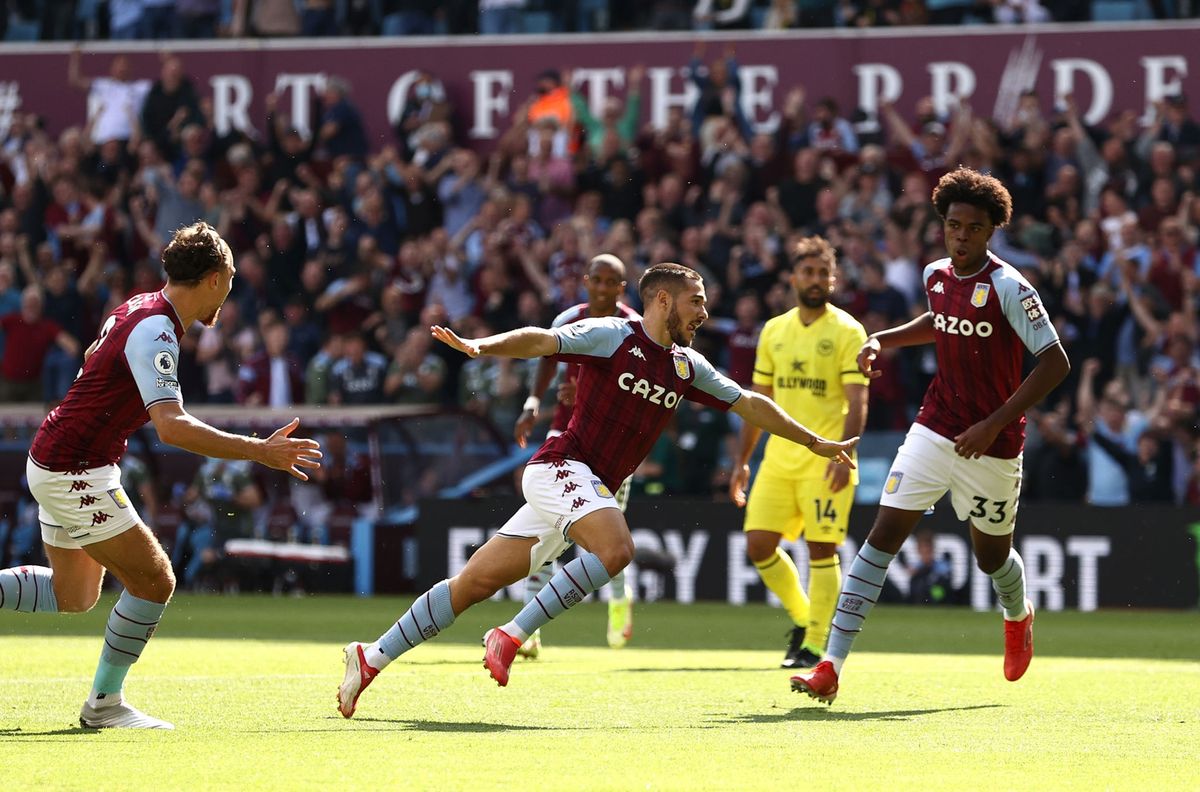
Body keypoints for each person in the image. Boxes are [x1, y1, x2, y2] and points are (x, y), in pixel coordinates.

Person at [337, 262, 859, 717]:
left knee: (471, 585)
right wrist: (480, 347)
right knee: (617, 548)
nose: (703, 312)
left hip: (583, 487)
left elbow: (748, 402)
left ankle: (370, 657)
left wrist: (813, 440)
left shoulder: (685, 366)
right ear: (662, 300)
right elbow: (542, 339)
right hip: (560, 466)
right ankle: (512, 634)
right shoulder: (613, 335)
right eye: (696, 302)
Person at [0, 222, 322, 729]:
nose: (232, 289)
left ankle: (103, 704)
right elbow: (171, 427)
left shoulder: (137, 307)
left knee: (75, 596)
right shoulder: (156, 328)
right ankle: (104, 705)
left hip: (64, 456)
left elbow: (92, 358)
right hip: (74, 468)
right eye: (232, 277)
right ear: (214, 278)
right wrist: (260, 451)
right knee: (155, 580)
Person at [791, 168, 1070, 705]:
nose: (960, 236)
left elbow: (1055, 363)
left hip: (993, 444)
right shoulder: (936, 275)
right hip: (935, 427)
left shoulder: (1011, 287)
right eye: (952, 225)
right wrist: (883, 339)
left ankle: (1017, 613)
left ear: (991, 231)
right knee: (881, 538)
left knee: (992, 559)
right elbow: (939, 321)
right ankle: (831, 664)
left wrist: (992, 423)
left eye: (972, 228)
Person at [729, 236, 868, 669]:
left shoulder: (848, 330)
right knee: (758, 546)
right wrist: (742, 461)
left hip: (826, 459)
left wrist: (847, 456)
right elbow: (758, 402)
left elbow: (858, 400)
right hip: (779, 459)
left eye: (822, 272)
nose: (814, 279)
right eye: (806, 272)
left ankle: (814, 643)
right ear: (793, 277)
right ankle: (807, 619)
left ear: (833, 279)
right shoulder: (774, 330)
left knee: (821, 549)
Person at [510, 253, 641, 656]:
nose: (602, 288)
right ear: (586, 281)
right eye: (596, 280)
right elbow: (548, 361)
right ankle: (528, 632)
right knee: (547, 532)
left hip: (613, 444)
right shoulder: (567, 319)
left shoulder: (636, 328)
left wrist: (587, 389)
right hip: (566, 434)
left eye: (610, 282)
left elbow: (636, 387)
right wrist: (534, 401)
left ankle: (619, 598)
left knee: (606, 536)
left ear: (621, 288)